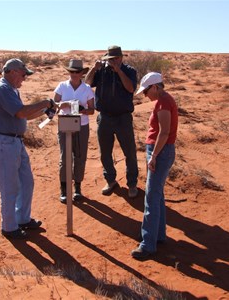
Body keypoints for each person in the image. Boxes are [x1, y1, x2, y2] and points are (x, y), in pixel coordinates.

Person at [0, 58, 58, 239]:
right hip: (6, 143)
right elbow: (21, 112)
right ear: (12, 71)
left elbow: (23, 116)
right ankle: (9, 227)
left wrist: (45, 112)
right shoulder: (2, 90)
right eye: (23, 74)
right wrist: (44, 103)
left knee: (26, 182)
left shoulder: (11, 90)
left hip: (16, 142)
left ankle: (22, 219)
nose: (25, 78)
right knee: (9, 186)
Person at [131, 72, 178, 259]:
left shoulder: (164, 102)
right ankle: (158, 235)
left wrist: (154, 156)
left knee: (151, 197)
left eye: (146, 91)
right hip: (159, 151)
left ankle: (148, 244)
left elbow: (165, 132)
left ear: (156, 87)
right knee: (157, 195)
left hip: (161, 152)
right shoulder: (162, 101)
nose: (145, 95)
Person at [85, 45, 139, 198]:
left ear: (120, 58)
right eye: (109, 59)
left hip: (123, 118)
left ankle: (132, 183)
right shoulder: (102, 71)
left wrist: (119, 71)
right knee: (105, 152)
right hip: (105, 117)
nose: (111, 62)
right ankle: (110, 180)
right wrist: (94, 69)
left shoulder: (129, 71)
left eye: (114, 59)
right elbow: (87, 84)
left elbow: (130, 89)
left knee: (129, 152)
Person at [54, 59, 95, 203]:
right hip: (65, 123)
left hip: (82, 125)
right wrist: (63, 104)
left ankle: (77, 188)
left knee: (80, 156)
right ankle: (64, 189)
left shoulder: (87, 89)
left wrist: (81, 109)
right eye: (71, 71)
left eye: (77, 72)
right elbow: (54, 105)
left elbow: (92, 110)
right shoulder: (62, 86)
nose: (74, 74)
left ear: (82, 73)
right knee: (65, 157)